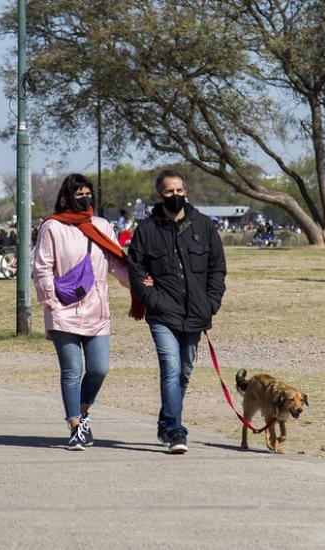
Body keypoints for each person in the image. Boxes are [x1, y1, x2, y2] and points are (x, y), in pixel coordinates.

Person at [33, 173, 144, 451]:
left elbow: (116, 262)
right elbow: (42, 267)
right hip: (63, 310)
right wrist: (50, 301)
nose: (84, 198)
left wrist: (142, 287)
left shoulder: (103, 226)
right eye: (78, 194)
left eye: (87, 193)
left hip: (97, 309)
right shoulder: (52, 227)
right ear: (67, 197)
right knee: (71, 370)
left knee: (99, 368)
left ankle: (82, 412)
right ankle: (74, 427)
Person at [128, 169, 227, 454]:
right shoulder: (147, 230)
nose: (176, 196)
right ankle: (175, 432)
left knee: (184, 371)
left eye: (180, 191)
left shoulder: (204, 226)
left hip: (196, 313)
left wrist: (211, 302)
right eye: (170, 192)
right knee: (170, 369)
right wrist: (152, 298)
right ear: (160, 195)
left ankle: (165, 421)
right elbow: (136, 271)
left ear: (186, 192)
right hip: (162, 314)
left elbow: (217, 269)